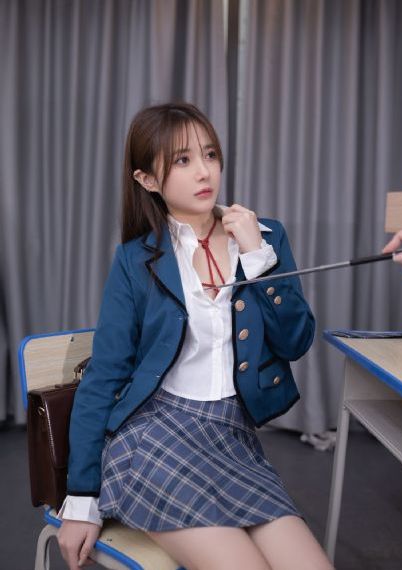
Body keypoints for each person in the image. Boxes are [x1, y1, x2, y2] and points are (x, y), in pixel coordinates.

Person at [57, 102, 333, 570]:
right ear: (147, 180)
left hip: (232, 439)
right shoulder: (134, 260)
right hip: (153, 439)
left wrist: (258, 258)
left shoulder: (265, 237)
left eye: (210, 154)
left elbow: (295, 342)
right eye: (182, 160)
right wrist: (81, 498)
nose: (204, 172)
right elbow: (104, 377)